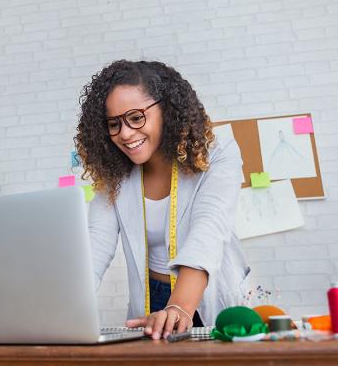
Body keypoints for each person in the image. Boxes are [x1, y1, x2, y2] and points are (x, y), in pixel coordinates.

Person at [75, 60, 250, 340]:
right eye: (113, 124)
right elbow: (96, 244)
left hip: (205, 291)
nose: (125, 133)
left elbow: (209, 228)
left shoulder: (218, 153)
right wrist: (62, 307)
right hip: (152, 301)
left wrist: (179, 305)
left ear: (167, 109)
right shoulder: (114, 172)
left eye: (135, 117)